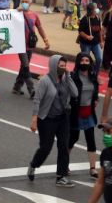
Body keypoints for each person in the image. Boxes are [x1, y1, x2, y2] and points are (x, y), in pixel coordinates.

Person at [27, 55, 79, 187]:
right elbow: (37, 100)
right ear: (53, 66)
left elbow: (75, 94)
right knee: (46, 147)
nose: (62, 68)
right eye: (60, 66)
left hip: (63, 118)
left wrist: (68, 77)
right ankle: (34, 165)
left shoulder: (65, 79)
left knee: (63, 146)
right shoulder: (45, 81)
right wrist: (34, 119)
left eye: (64, 66)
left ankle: (61, 176)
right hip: (47, 119)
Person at [69, 53, 99, 178]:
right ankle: (64, 164)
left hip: (89, 112)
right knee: (72, 139)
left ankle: (93, 168)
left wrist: (96, 99)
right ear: (78, 62)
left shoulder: (93, 76)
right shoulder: (73, 76)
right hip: (76, 112)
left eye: (87, 60)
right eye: (82, 60)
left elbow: (95, 89)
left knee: (91, 139)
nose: (85, 63)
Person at [13, 0, 50, 98]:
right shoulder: (16, 13)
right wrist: (15, 11)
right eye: (23, 1)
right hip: (20, 45)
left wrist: (46, 40)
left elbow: (40, 27)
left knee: (23, 66)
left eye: (26, 1)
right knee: (26, 66)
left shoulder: (34, 15)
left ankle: (17, 87)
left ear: (30, 3)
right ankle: (32, 89)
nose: (24, 3)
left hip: (30, 44)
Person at [77, 3, 103, 73]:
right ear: (91, 10)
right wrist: (87, 36)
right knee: (85, 60)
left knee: (99, 58)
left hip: (95, 43)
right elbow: (80, 32)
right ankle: (83, 72)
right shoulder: (84, 19)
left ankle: (95, 73)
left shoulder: (98, 18)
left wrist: (101, 41)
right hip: (85, 44)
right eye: (95, 8)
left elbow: (100, 31)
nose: (97, 10)